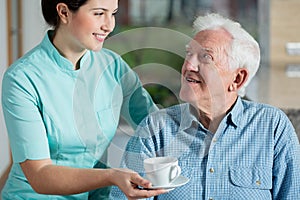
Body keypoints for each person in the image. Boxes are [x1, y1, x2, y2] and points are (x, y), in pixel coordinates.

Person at [110, 13, 300, 199]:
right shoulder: (156, 128)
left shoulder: (272, 126)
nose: (188, 65)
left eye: (205, 57)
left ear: (237, 79)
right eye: (189, 54)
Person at [1, 0, 167, 199]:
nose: (109, 25)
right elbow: (39, 175)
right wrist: (112, 176)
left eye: (113, 13)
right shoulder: (22, 78)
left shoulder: (113, 66)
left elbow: (156, 128)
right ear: (64, 12)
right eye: (98, 13)